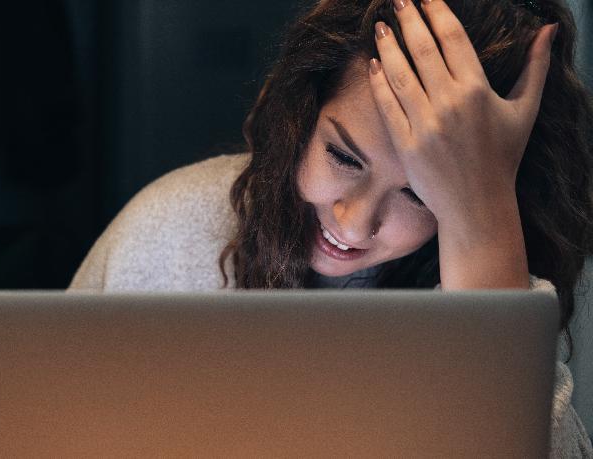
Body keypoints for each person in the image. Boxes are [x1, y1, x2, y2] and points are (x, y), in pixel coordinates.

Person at [69, 0, 593, 456]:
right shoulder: (172, 226)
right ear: (301, 112)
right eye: (342, 156)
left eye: (419, 194)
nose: (355, 222)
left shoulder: (496, 263)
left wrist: (483, 225)